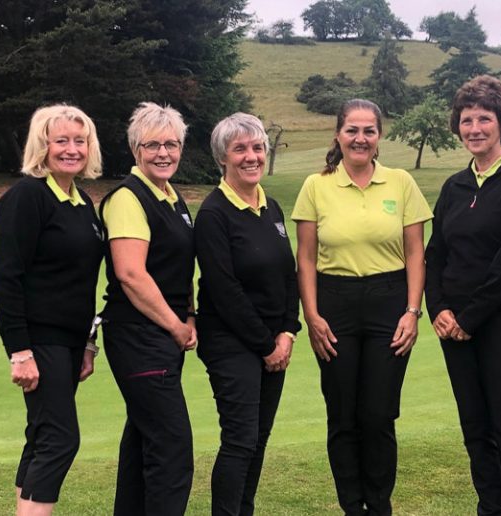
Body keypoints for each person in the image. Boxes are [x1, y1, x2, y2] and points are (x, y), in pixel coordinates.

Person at [292, 98, 432, 516]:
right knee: (343, 414)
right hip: (334, 304)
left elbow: (416, 254)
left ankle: (379, 504)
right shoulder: (316, 185)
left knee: (377, 414)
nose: (360, 138)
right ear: (338, 134)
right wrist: (311, 315)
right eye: (352, 130)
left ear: (379, 136)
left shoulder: (401, 182)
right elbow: (305, 259)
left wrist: (412, 311)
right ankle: (353, 506)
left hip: (389, 303)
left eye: (369, 130)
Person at [424, 75, 501, 515]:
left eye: (484, 119)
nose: (474, 128)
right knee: (475, 427)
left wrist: (468, 319)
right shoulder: (454, 186)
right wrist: (438, 309)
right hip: (453, 326)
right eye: (467, 120)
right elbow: (437, 255)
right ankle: (490, 508)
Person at [0, 104, 104, 516]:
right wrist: (19, 351)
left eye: (80, 140)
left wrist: (89, 344)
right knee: (60, 439)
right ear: (43, 146)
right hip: (40, 340)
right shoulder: (26, 197)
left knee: (42, 436)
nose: (72, 149)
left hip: (71, 343)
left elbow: (85, 283)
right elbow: (6, 279)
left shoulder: (82, 203)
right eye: (61, 141)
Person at [194, 113, 301, 516]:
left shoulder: (270, 206)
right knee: (239, 439)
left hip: (274, 341)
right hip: (230, 342)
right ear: (223, 157)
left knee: (258, 438)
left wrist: (288, 331)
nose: (251, 156)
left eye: (257, 148)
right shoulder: (214, 213)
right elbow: (224, 291)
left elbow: (287, 274)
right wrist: (265, 344)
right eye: (240, 149)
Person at [99, 102, 196, 515]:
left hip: (162, 336)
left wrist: (189, 316)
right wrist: (176, 325)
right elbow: (131, 275)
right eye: (152, 144)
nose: (163, 153)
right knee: (172, 451)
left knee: (141, 442)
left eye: (171, 144)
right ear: (135, 149)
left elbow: (179, 269)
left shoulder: (173, 198)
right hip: (139, 335)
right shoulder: (127, 198)